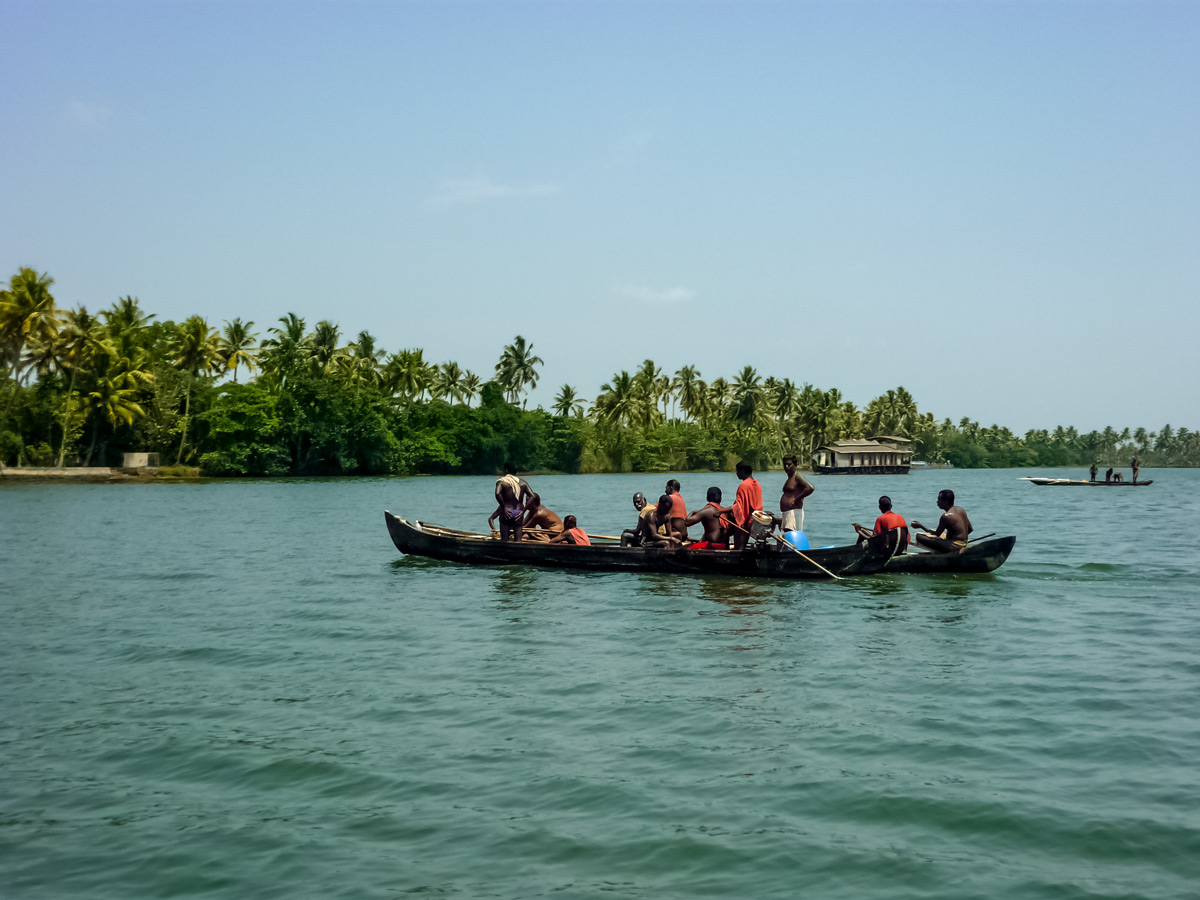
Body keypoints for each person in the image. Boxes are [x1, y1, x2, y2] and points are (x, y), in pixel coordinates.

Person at [488, 462, 532, 541]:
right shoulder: (523, 483)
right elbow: (533, 496)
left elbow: (497, 493)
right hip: (518, 512)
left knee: (504, 540)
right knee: (518, 540)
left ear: (506, 470)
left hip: (507, 512)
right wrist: (523, 510)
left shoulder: (501, 482)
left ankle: (505, 552)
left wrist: (503, 507)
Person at [730, 461, 763, 551]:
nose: (737, 474)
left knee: (735, 521)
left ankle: (738, 551)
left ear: (743, 471)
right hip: (756, 518)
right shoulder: (756, 484)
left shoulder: (743, 485)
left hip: (748, 519)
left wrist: (722, 511)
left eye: (738, 471)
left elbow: (739, 507)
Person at [780, 455, 815, 533]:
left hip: (794, 512)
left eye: (789, 464)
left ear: (795, 465)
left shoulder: (797, 476)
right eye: (784, 464)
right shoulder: (790, 478)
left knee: (792, 535)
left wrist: (797, 499)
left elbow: (810, 488)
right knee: (788, 536)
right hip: (787, 512)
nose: (786, 467)